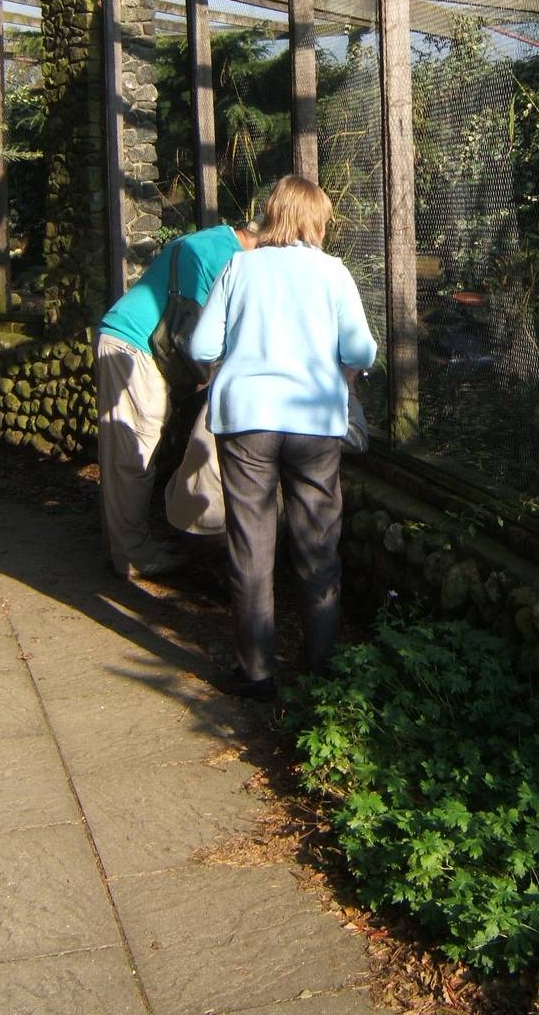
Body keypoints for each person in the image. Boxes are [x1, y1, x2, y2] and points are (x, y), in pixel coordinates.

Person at [190, 175, 376, 699]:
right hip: (316, 422)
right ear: (316, 220)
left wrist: (221, 367)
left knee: (251, 544)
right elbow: (362, 352)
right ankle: (322, 671)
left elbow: (202, 343)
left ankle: (256, 673)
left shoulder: (239, 266)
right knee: (318, 546)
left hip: (246, 421)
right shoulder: (333, 273)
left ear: (272, 213)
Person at [94, 220, 257, 579]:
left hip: (130, 339)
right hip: (134, 345)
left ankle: (123, 547)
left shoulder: (214, 240)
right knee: (133, 454)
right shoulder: (231, 258)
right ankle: (134, 556)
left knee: (128, 452)